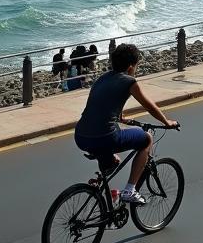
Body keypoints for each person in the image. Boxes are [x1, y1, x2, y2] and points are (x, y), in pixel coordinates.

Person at [73, 43, 178, 205]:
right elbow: (148, 105)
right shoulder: (129, 81)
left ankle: (105, 195)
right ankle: (130, 190)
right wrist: (167, 121)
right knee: (147, 139)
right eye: (136, 66)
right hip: (104, 137)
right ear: (130, 67)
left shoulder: (103, 78)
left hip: (80, 136)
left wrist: (121, 118)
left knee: (112, 156)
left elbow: (108, 102)